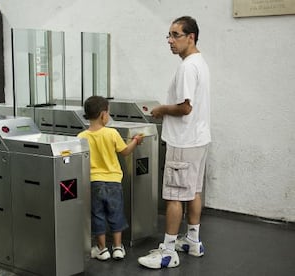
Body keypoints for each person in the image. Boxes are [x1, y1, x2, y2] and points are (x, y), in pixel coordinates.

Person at [138, 16, 211, 269]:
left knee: (173, 197)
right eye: (168, 35)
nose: (170, 40)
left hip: (183, 141)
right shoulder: (199, 62)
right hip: (199, 139)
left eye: (175, 35)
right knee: (193, 191)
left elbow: (185, 107)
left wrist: (161, 110)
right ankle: (192, 241)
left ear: (191, 37)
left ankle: (168, 252)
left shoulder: (187, 67)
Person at [78, 96, 144, 261]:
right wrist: (136, 140)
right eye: (108, 113)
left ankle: (102, 249)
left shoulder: (81, 136)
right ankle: (117, 248)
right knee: (116, 213)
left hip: (94, 182)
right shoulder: (111, 133)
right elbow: (125, 151)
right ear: (103, 115)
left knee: (97, 214)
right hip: (114, 181)